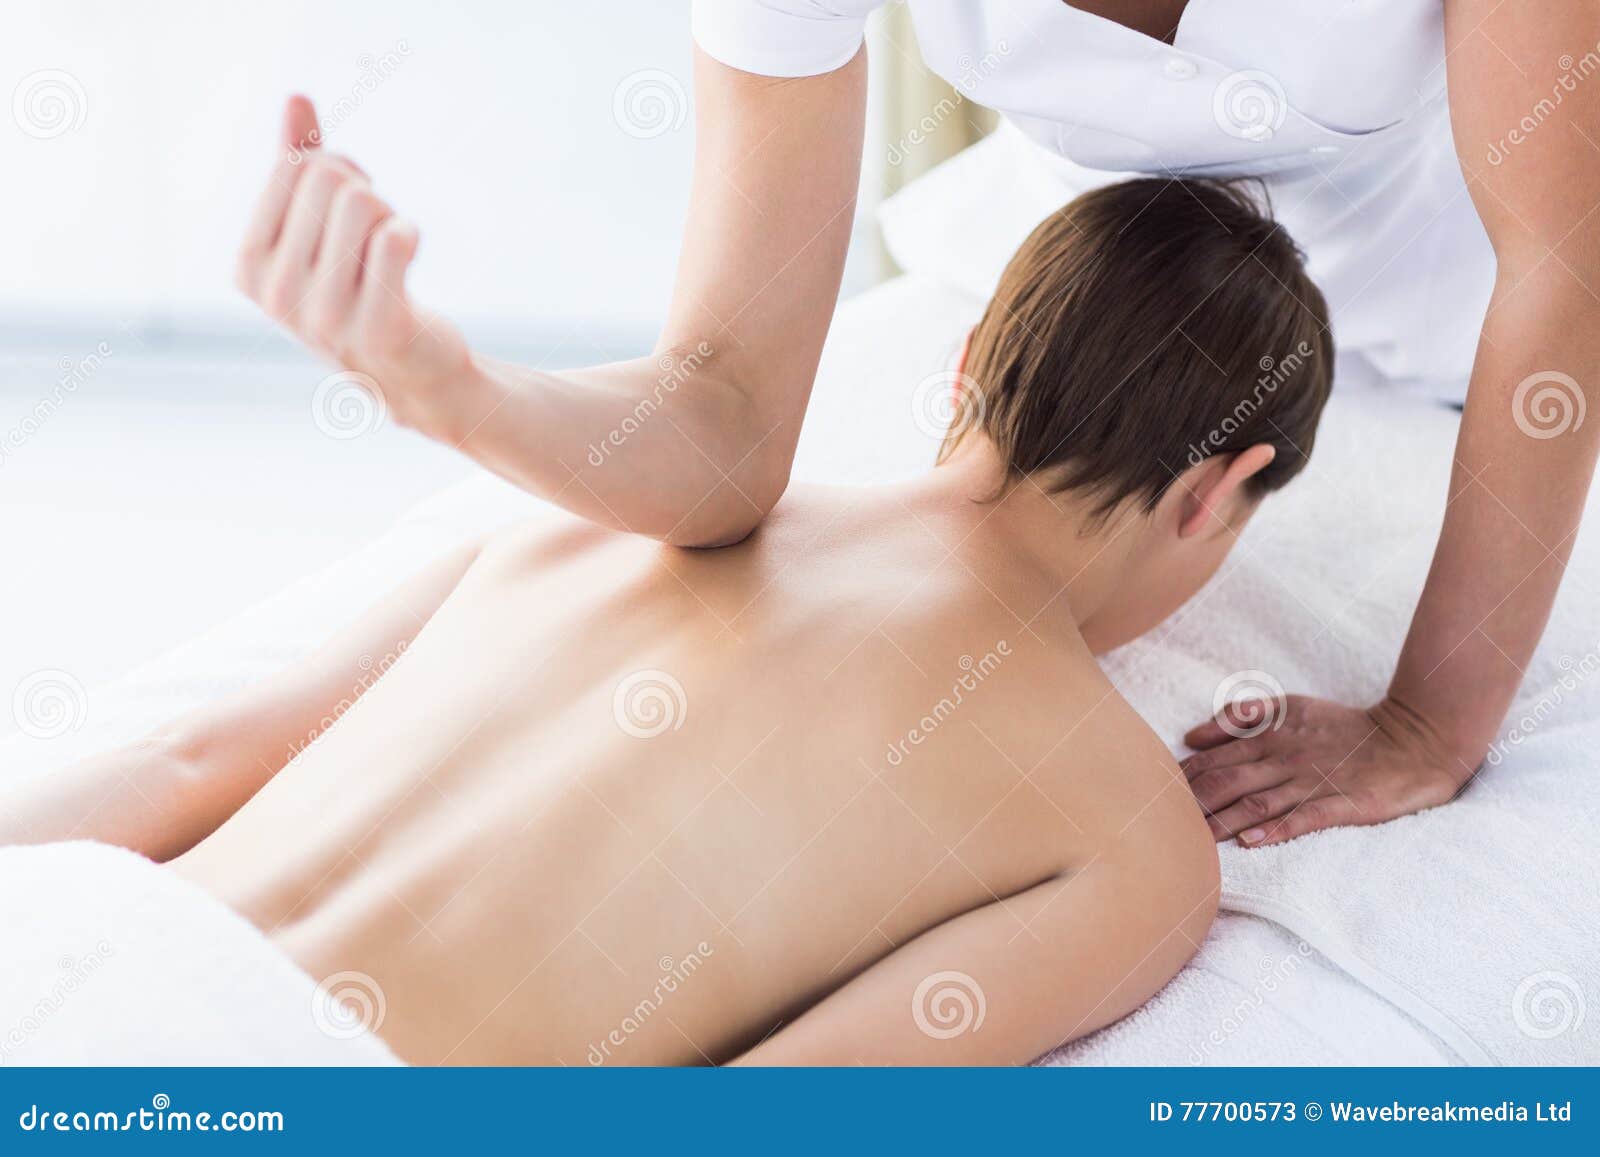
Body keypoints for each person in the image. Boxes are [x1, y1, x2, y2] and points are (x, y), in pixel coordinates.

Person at [5, 179, 1331, 1065]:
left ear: (971, 357)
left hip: (61, 942)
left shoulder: (604, 513)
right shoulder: (1132, 843)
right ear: (1221, 491)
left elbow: (182, 758)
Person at [232, 1, 1600, 848]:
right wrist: (456, 389)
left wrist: (1430, 722)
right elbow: (725, 406)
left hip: (1468, 316)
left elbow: (1562, 269)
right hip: (1110, 296)